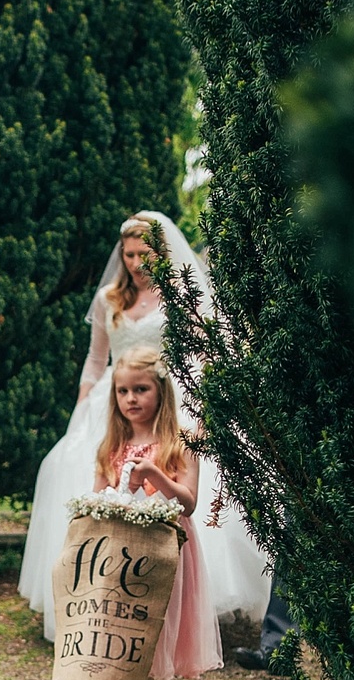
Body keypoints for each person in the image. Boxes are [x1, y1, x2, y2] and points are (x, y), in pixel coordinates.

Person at [17, 209, 271, 655]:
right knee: (68, 471)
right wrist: (82, 409)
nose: (135, 262)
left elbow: (207, 353)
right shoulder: (109, 300)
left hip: (170, 397)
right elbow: (96, 361)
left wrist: (204, 413)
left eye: (144, 253)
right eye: (128, 254)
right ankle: (96, 602)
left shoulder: (180, 298)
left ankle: (180, 610)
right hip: (112, 401)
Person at [90, 362, 218, 680]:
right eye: (123, 391)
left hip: (166, 552)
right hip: (123, 556)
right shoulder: (112, 444)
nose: (131, 399)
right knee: (135, 646)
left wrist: (154, 475)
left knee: (141, 648)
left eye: (141, 389)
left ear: (160, 391)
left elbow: (189, 503)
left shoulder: (179, 443)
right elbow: (97, 499)